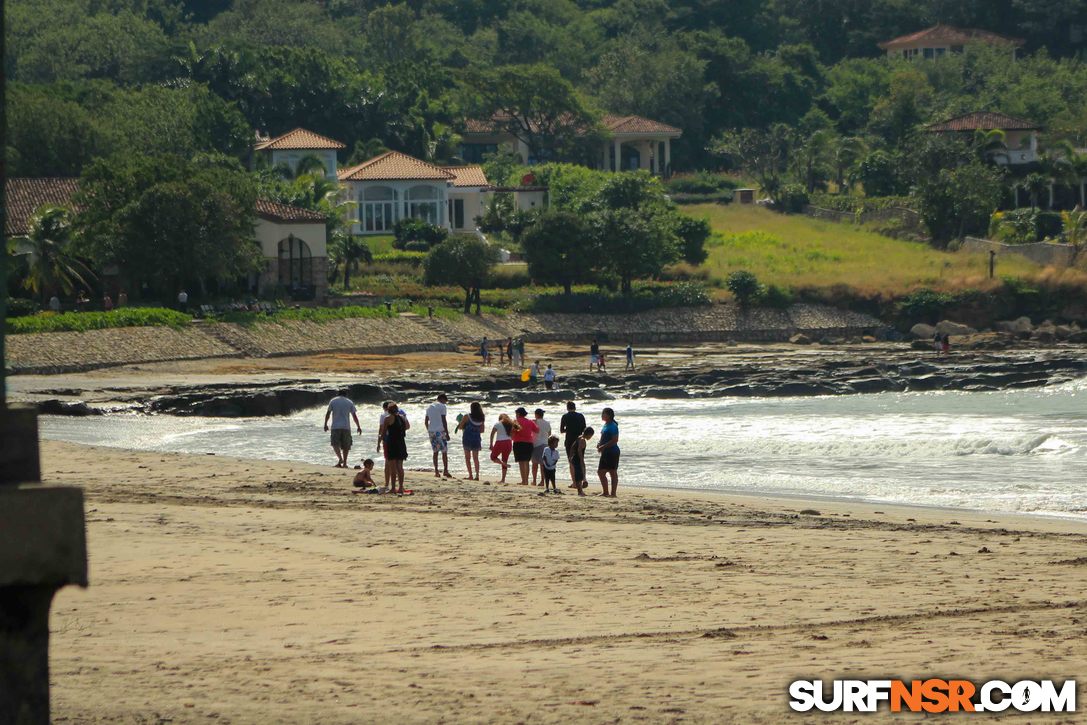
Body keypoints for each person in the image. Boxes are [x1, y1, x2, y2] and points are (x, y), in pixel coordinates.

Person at [323, 393, 361, 469]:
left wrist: (325, 424)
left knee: (334, 444)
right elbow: (354, 416)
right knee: (346, 446)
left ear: (338, 394)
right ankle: (345, 463)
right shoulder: (349, 402)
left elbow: (328, 413)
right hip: (346, 426)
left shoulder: (333, 401)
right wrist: (358, 426)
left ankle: (340, 459)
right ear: (346, 395)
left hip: (335, 426)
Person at [380, 402, 410, 495]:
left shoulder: (387, 418)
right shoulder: (402, 417)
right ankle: (400, 487)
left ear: (388, 410)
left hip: (392, 443)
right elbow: (407, 427)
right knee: (400, 467)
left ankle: (393, 488)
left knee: (392, 467)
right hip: (401, 443)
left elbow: (384, 432)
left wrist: (381, 438)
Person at [560, 402, 587, 488]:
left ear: (567, 408)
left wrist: (568, 430)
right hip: (580, 440)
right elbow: (584, 429)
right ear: (575, 407)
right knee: (581, 460)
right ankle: (584, 479)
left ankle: (575, 483)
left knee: (571, 461)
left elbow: (561, 430)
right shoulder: (581, 416)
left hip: (569, 441)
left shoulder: (565, 416)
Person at [425, 394, 452, 478]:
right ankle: (445, 470)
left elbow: (426, 421)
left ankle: (436, 471)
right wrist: (447, 433)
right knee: (444, 451)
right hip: (440, 431)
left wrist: (429, 430)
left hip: (432, 431)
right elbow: (444, 420)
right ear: (442, 399)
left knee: (435, 452)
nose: (445, 403)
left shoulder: (429, 407)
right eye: (445, 401)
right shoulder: (442, 406)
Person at [457, 402, 486, 480]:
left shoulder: (467, 416)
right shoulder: (482, 418)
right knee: (476, 458)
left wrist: (462, 424)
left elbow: (460, 427)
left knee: (467, 458)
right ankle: (477, 475)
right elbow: (482, 430)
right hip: (476, 439)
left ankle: (470, 475)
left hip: (467, 438)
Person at [597, 407, 621, 497]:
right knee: (601, 472)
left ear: (609, 415)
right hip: (605, 452)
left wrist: (603, 446)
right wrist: (599, 443)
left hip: (612, 451)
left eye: (604, 413)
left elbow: (615, 440)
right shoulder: (606, 424)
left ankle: (613, 493)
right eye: (602, 413)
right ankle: (606, 492)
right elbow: (603, 437)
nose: (602, 415)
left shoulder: (613, 426)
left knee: (612, 472)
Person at [511, 407, 538, 485]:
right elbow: (537, 430)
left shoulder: (516, 422)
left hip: (518, 442)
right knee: (526, 462)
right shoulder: (530, 422)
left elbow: (512, 432)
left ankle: (523, 480)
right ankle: (526, 480)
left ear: (518, 414)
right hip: (529, 443)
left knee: (521, 462)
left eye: (516, 413)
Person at [489, 414, 517, 483]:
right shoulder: (511, 424)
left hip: (500, 442)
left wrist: (491, 444)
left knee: (493, 457)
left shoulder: (497, 424)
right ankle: (503, 479)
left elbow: (492, 434)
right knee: (505, 459)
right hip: (508, 443)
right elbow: (512, 435)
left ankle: (503, 463)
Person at [530, 408, 552, 486]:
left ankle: (534, 480)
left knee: (534, 464)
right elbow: (549, 434)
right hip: (545, 444)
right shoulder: (547, 423)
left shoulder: (534, 422)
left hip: (536, 444)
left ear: (536, 414)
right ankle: (542, 480)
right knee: (543, 464)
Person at [573, 427, 594, 496]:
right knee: (579, 475)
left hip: (574, 458)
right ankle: (580, 491)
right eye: (591, 436)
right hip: (578, 459)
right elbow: (579, 450)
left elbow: (572, 447)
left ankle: (580, 490)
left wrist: (570, 456)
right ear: (589, 434)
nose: (590, 438)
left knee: (578, 474)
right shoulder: (582, 440)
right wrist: (582, 460)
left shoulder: (579, 437)